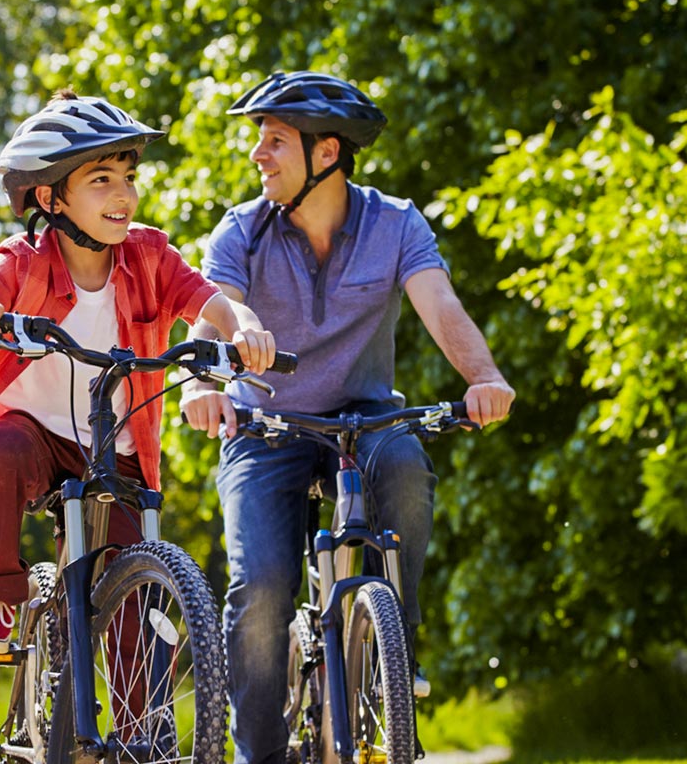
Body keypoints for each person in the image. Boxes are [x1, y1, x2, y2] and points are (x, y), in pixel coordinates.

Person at [178, 71, 516, 764]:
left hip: (363, 419)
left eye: (274, 141)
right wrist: (202, 383)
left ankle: (396, 647)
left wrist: (483, 377)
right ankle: (260, 756)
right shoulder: (241, 231)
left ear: (325, 153)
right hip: (264, 425)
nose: (257, 155)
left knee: (406, 471)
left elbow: (441, 307)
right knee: (264, 587)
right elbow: (217, 313)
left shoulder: (395, 223)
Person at [0, 91, 277, 653]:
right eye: (101, 179)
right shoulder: (21, 261)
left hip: (115, 447)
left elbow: (214, 303)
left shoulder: (150, 256)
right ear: (50, 197)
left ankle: (144, 735)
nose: (124, 194)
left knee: (135, 602)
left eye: (128, 177)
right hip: (35, 437)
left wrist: (246, 327)